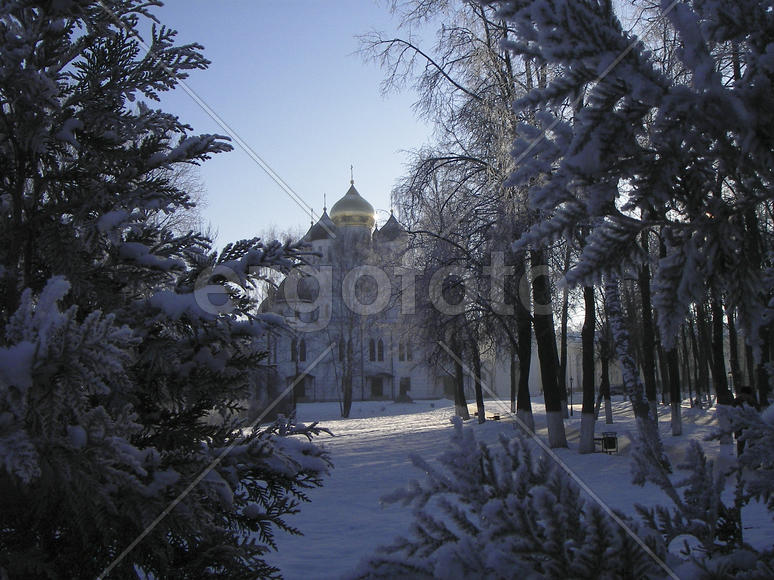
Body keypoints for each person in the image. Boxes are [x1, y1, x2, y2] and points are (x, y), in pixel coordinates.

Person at [733, 385, 760, 455]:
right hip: (740, 426)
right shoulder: (737, 401)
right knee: (741, 445)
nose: (745, 396)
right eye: (744, 394)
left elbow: (757, 412)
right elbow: (732, 413)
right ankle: (741, 459)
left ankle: (752, 459)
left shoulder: (751, 401)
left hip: (750, 426)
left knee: (752, 445)